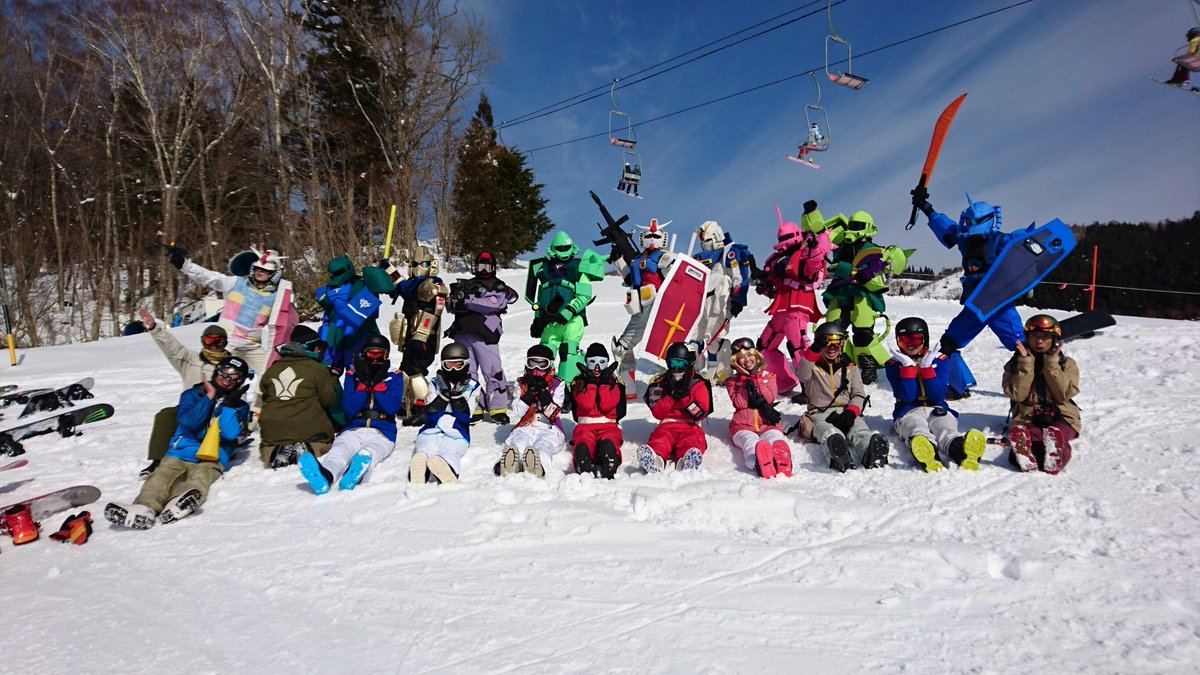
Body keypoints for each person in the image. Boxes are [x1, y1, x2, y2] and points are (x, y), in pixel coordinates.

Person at [104, 356, 251, 529]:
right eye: (226, 373)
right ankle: (144, 507)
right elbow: (189, 423)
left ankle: (178, 503)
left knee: (201, 477)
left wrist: (228, 406)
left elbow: (231, 434)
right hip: (182, 450)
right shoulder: (192, 394)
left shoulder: (239, 405)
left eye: (236, 377)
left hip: (214, 456)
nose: (228, 380)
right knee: (161, 476)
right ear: (218, 370)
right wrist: (208, 398)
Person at [910, 192, 1024, 399]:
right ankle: (956, 386)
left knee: (1023, 350)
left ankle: (1039, 392)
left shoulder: (1001, 240)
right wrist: (927, 208)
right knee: (948, 344)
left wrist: (1028, 238)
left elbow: (1023, 245)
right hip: (976, 305)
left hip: (999, 304)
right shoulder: (965, 240)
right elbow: (948, 228)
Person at [167, 245, 292, 401]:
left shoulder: (276, 297)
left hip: (252, 346)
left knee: (274, 373)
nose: (260, 272)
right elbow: (208, 276)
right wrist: (185, 265)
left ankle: (265, 411)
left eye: (265, 270)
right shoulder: (235, 283)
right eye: (258, 268)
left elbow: (286, 323)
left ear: (274, 274)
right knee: (224, 380)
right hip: (227, 344)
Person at [816, 203, 914, 385]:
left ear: (868, 229)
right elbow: (821, 234)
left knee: (863, 333)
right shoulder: (842, 247)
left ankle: (867, 365)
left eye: (858, 226)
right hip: (842, 292)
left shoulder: (875, 249)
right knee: (834, 330)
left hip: (863, 294)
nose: (853, 230)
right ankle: (841, 362)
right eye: (852, 225)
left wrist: (867, 272)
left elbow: (884, 271)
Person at [298, 335, 403, 494]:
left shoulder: (394, 376)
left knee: (370, 453)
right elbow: (350, 409)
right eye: (370, 354)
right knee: (340, 451)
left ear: (386, 355)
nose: (374, 358)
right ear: (364, 354)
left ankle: (355, 475)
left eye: (379, 354)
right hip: (353, 429)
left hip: (383, 433)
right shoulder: (353, 375)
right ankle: (324, 475)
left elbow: (392, 408)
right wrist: (362, 386)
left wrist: (378, 386)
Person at [884, 317, 987, 473]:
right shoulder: (893, 364)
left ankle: (961, 451)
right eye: (905, 341)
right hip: (908, 411)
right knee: (915, 427)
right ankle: (927, 452)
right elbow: (907, 396)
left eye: (916, 340)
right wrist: (907, 367)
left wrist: (927, 368)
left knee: (945, 427)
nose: (911, 345)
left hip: (936, 407)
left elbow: (938, 395)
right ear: (898, 341)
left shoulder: (939, 360)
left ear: (925, 339)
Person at [138, 308, 231, 479]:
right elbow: (172, 347)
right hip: (190, 408)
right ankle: (158, 460)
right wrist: (153, 327)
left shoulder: (231, 366)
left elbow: (240, 389)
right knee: (165, 415)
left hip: (215, 411)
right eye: (209, 340)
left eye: (219, 340)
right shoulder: (191, 360)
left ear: (225, 342)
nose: (214, 344)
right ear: (203, 342)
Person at [754, 203, 833, 396]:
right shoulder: (778, 260)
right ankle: (784, 381)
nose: (784, 241)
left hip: (797, 310)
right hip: (780, 312)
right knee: (763, 347)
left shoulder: (803, 254)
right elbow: (775, 289)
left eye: (787, 237)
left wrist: (814, 247)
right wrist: (764, 287)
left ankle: (812, 388)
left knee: (798, 348)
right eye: (782, 238)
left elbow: (812, 269)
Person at [794, 322, 889, 473]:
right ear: (819, 344)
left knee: (859, 430)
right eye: (826, 343)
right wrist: (813, 350)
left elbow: (858, 394)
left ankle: (869, 450)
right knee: (828, 432)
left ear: (843, 343)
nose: (832, 347)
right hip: (820, 414)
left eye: (837, 343)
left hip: (846, 412)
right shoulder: (812, 367)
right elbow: (801, 372)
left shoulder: (850, 367)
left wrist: (851, 412)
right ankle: (837, 452)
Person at [445, 251, 519, 424]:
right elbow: (451, 305)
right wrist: (456, 300)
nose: (484, 270)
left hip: (486, 334)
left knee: (493, 371)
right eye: (480, 266)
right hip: (463, 332)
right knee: (466, 372)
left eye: (487, 266)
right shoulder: (466, 285)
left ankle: (498, 408)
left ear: (493, 267)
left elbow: (493, 303)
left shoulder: (499, 286)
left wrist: (467, 301)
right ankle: (473, 407)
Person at [1002, 314, 1081, 475]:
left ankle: (1056, 456)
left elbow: (1063, 394)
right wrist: (1025, 365)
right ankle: (1026, 454)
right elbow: (1017, 394)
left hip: (1062, 416)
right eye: (1035, 337)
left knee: (1058, 433)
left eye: (1044, 337)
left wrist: (1052, 365)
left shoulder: (1067, 364)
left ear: (1053, 339)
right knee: (1031, 434)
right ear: (1028, 338)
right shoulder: (1014, 364)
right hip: (1028, 416)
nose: (1039, 341)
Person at [525, 231, 606, 380]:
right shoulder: (543, 268)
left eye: (565, 248)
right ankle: (540, 387)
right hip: (549, 323)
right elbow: (540, 298)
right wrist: (537, 320)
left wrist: (570, 310)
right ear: (553, 248)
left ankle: (568, 389)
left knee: (568, 354)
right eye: (560, 248)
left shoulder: (578, 266)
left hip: (572, 320)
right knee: (542, 356)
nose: (563, 251)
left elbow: (584, 295)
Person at [258, 325, 339, 469]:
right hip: (309, 433)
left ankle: (273, 452)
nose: (319, 351)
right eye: (317, 347)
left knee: (272, 441)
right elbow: (328, 400)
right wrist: (332, 378)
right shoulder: (317, 369)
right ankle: (307, 449)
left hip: (271, 436)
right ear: (310, 347)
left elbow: (265, 398)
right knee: (324, 440)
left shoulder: (272, 370)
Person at [612, 219, 677, 388]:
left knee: (665, 350)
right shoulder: (638, 258)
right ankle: (628, 385)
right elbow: (631, 280)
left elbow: (676, 283)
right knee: (622, 348)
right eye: (649, 235)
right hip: (639, 303)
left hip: (661, 305)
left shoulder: (666, 257)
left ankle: (670, 385)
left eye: (656, 235)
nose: (653, 238)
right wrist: (618, 261)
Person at [390, 245, 450, 426]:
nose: (418, 267)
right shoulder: (414, 282)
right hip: (412, 334)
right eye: (416, 264)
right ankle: (408, 405)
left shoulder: (433, 283)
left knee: (416, 371)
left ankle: (425, 408)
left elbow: (413, 290)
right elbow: (405, 288)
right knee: (406, 369)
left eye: (422, 263)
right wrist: (389, 271)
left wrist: (392, 273)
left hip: (424, 335)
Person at [410, 343, 484, 485]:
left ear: (466, 365)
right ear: (443, 365)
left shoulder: (473, 387)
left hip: (457, 431)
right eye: (449, 365)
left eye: (458, 365)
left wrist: (457, 399)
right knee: (425, 444)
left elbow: (465, 417)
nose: (454, 369)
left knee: (450, 449)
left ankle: (448, 467)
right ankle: (420, 467)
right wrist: (442, 398)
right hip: (432, 427)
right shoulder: (434, 383)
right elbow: (431, 414)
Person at [692, 220, 754, 380]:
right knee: (695, 337)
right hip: (700, 302)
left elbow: (738, 278)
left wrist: (738, 300)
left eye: (705, 240)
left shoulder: (729, 252)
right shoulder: (700, 258)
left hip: (720, 302)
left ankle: (718, 372)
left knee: (713, 338)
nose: (703, 244)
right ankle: (694, 370)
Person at [315, 255, 398, 374]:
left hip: (360, 336)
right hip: (336, 338)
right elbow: (327, 318)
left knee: (359, 376)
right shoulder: (326, 291)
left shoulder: (362, 285)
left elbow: (372, 312)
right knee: (328, 376)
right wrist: (323, 340)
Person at [637, 342, 712, 473]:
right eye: (673, 364)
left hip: (690, 426)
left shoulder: (698, 384)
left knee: (692, 441)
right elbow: (658, 413)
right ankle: (656, 459)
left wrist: (684, 397)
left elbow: (700, 413)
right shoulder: (660, 383)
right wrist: (671, 395)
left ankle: (686, 459)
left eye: (681, 364)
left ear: (689, 364)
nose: (676, 369)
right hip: (667, 425)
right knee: (660, 440)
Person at [724, 337, 791, 479]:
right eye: (741, 358)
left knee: (775, 439)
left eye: (749, 355)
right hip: (742, 426)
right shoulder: (732, 382)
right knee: (751, 442)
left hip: (768, 424)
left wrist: (757, 378)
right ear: (735, 361)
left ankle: (782, 462)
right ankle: (757, 463)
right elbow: (740, 403)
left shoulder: (769, 376)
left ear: (756, 355)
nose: (747, 360)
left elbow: (770, 398)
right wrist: (744, 380)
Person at [497, 345, 567, 478]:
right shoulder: (521, 383)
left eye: (542, 364)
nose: (537, 369)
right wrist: (529, 394)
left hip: (550, 427)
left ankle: (538, 465)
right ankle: (510, 464)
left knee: (544, 444)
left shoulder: (558, 384)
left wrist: (543, 394)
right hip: (526, 425)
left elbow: (554, 413)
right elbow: (518, 411)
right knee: (519, 440)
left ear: (549, 365)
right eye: (533, 363)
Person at [568, 343, 626, 479]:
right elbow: (587, 405)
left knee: (609, 441)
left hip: (608, 426)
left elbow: (606, 406)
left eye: (602, 362)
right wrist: (591, 383)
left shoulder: (614, 384)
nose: (597, 367)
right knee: (583, 442)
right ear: (586, 362)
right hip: (585, 426)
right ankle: (583, 461)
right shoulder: (578, 384)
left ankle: (610, 460)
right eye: (592, 361)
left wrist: (604, 384)